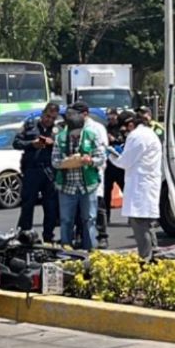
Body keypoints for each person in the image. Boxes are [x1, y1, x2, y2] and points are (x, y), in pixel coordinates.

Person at [109, 111, 162, 261]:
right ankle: (154, 257)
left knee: (139, 224)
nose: (124, 133)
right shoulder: (147, 134)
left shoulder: (137, 136)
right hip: (144, 183)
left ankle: (145, 259)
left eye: (124, 129)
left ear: (130, 124)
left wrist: (111, 155)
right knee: (146, 224)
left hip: (141, 186)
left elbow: (125, 162)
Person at [51, 108, 105, 250]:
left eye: (78, 132)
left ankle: (91, 250)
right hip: (67, 187)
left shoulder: (92, 136)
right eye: (73, 132)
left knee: (89, 219)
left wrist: (90, 160)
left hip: (88, 185)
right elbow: (55, 161)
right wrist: (66, 162)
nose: (75, 135)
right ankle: (66, 249)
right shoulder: (60, 138)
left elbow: (101, 158)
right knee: (66, 220)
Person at [13, 105, 59, 242]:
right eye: (47, 116)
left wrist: (52, 142)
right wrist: (31, 144)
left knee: (50, 206)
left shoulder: (57, 130)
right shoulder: (30, 126)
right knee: (28, 204)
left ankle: (48, 237)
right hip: (32, 170)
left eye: (52, 118)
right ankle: (24, 234)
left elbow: (63, 146)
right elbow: (16, 142)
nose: (49, 120)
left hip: (49, 171)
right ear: (42, 114)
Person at [69, 101, 111, 249]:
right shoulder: (73, 126)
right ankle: (82, 235)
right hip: (76, 173)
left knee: (97, 206)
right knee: (81, 207)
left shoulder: (97, 128)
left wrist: (89, 158)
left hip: (93, 171)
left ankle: (102, 236)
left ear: (85, 114)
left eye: (75, 113)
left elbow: (102, 150)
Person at [104, 108, 126, 225]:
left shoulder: (122, 128)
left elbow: (125, 141)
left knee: (125, 190)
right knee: (106, 192)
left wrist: (115, 139)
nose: (111, 120)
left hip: (120, 165)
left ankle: (130, 216)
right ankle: (106, 217)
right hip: (109, 165)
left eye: (113, 117)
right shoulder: (105, 129)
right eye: (109, 118)